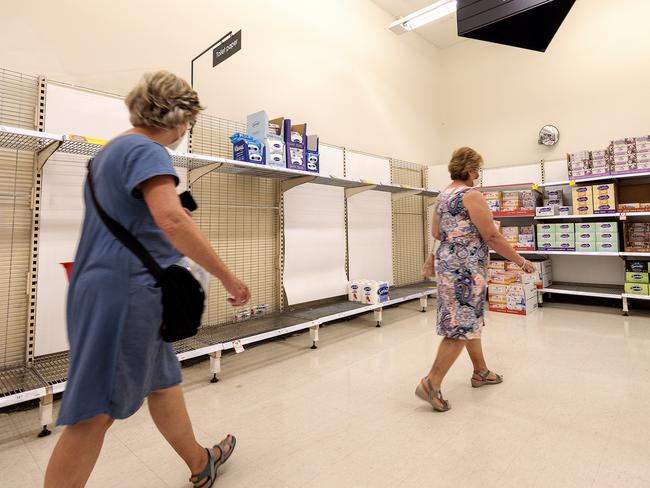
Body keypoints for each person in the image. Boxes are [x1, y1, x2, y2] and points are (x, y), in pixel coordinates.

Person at [45, 71, 251, 488]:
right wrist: (227, 277)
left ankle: (199, 461)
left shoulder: (107, 154)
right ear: (177, 118)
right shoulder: (147, 150)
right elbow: (172, 219)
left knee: (162, 381)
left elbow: (139, 221)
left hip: (103, 286)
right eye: (188, 122)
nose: (185, 131)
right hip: (127, 293)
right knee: (95, 412)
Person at [415, 147, 535, 412]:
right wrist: (521, 261)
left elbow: (436, 233)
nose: (478, 175)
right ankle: (430, 383)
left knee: (468, 320)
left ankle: (480, 371)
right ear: (469, 170)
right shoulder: (471, 196)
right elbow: (492, 236)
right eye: (477, 170)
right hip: (466, 271)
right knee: (460, 327)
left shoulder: (443, 196)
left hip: (448, 265)